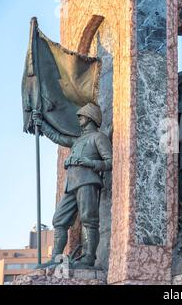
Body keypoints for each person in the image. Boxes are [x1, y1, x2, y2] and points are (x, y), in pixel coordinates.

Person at [33, 103, 112, 268]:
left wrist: (89, 162)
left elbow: (110, 161)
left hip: (88, 181)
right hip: (71, 185)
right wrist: (41, 124)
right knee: (59, 220)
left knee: (88, 220)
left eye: (81, 116)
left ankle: (89, 258)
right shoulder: (77, 140)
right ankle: (56, 258)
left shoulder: (98, 137)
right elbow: (58, 138)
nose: (79, 119)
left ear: (90, 117)